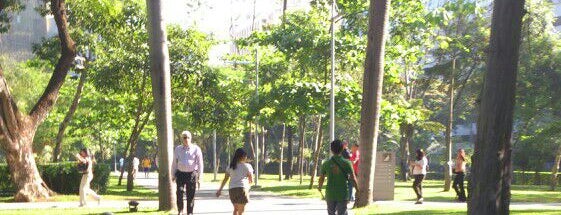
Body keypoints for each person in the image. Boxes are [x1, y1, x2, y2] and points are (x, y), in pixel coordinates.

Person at [318, 139, 359, 215]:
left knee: (331, 213)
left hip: (330, 194)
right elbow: (353, 178)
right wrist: (357, 190)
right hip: (342, 194)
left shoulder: (326, 163)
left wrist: (319, 187)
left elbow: (321, 178)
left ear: (331, 150)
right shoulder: (347, 163)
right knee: (342, 213)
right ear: (342, 149)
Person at [172, 130, 204, 215]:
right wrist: (173, 174)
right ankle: (180, 210)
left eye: (188, 137)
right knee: (179, 192)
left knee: (191, 194)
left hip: (191, 174)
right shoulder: (178, 149)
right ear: (182, 139)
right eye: (184, 137)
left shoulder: (196, 149)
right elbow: (174, 163)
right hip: (180, 174)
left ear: (191, 138)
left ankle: (190, 212)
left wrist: (200, 177)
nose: (186, 139)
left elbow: (200, 164)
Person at [216, 148, 254, 215]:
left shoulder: (230, 166)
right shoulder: (247, 166)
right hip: (242, 189)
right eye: (246, 156)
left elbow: (225, 179)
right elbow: (251, 180)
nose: (246, 157)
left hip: (232, 190)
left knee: (236, 209)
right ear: (243, 156)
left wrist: (220, 190)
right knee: (241, 212)